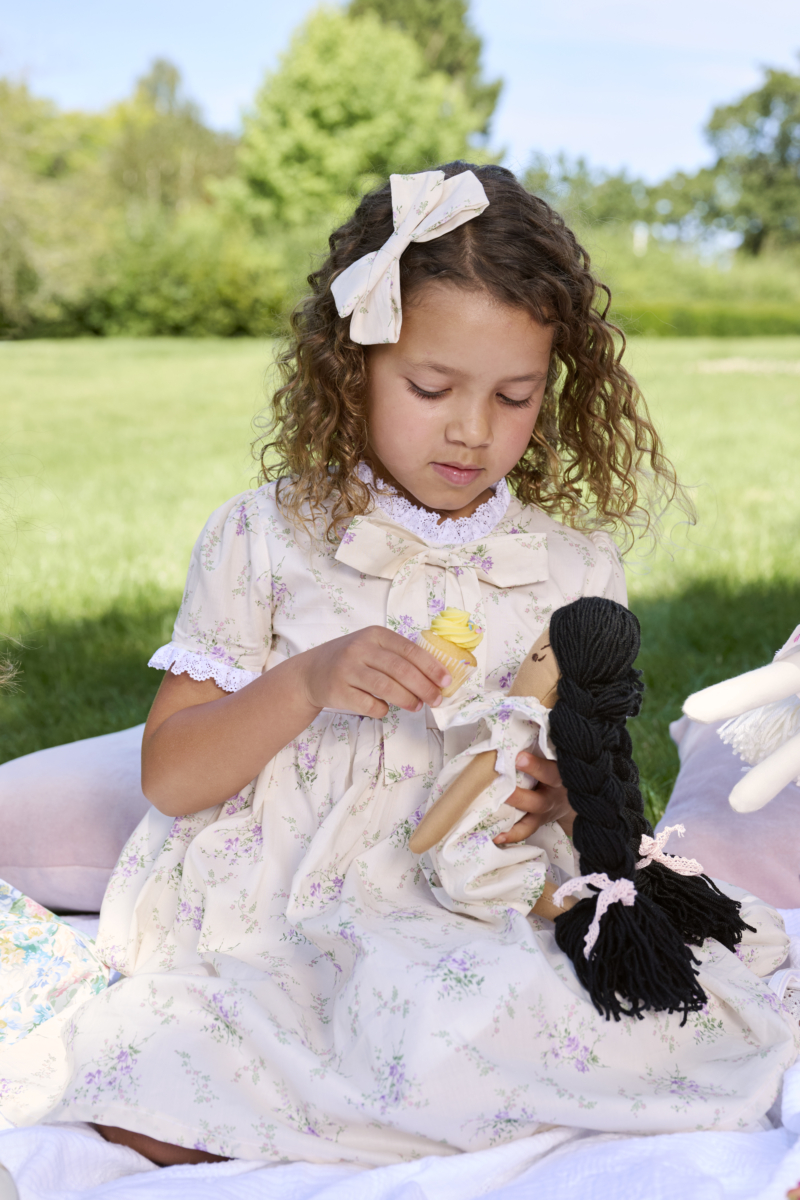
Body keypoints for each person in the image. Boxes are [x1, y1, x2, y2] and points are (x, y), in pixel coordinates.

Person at [42, 164, 798, 1165]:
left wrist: (566, 796)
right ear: (351, 364)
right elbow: (173, 777)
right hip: (288, 909)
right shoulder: (264, 538)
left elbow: (599, 789)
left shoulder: (569, 566)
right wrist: (306, 682)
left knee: (618, 1011)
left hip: (478, 893)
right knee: (161, 1076)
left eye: (514, 396)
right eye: (430, 387)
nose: (471, 430)